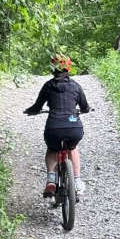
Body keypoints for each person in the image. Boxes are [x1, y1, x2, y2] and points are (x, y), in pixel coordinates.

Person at [23, 53, 90, 197]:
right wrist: (85, 110)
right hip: (74, 128)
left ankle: (51, 180)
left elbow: (37, 106)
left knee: (52, 149)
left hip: (54, 128)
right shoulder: (76, 86)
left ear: (53, 69)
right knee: (73, 148)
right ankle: (77, 181)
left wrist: (30, 111)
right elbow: (84, 106)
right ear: (68, 69)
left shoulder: (48, 86)